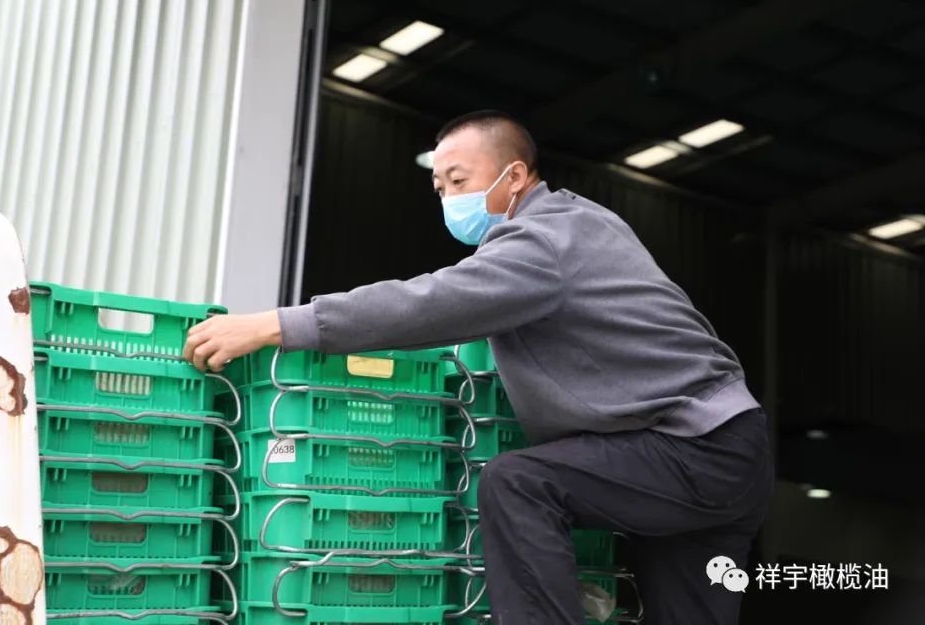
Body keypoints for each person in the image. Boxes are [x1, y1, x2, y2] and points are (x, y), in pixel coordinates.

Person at [183, 110, 774, 625]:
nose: (448, 197)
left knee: (518, 482)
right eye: (439, 186)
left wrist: (278, 324)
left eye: (459, 181)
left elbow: (429, 304)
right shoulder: (579, 224)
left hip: (692, 447)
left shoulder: (543, 240)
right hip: (729, 447)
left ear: (514, 176)